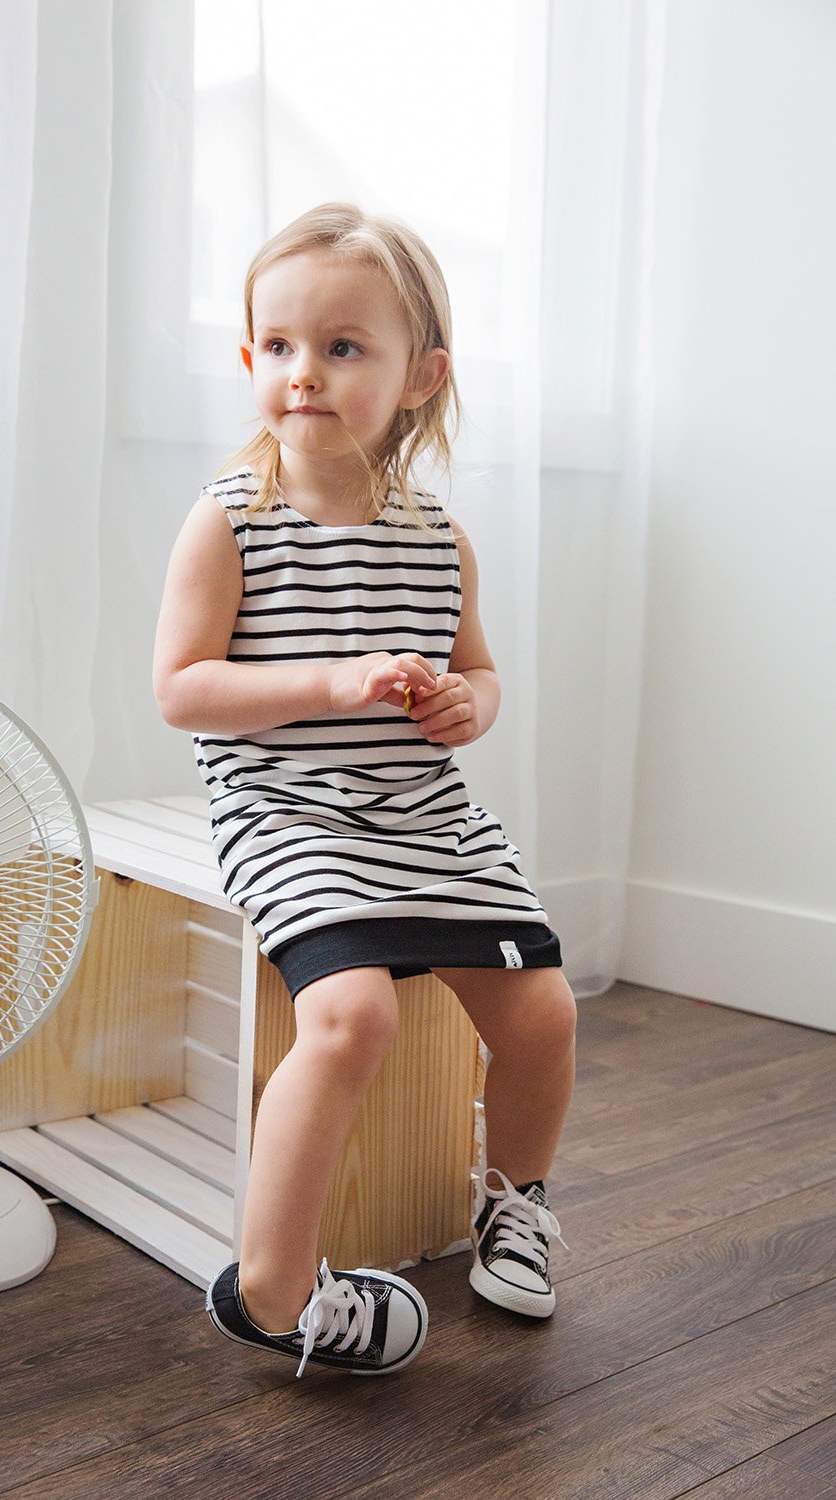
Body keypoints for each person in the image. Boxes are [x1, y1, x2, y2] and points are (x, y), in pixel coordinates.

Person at [153, 203, 577, 1379]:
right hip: (286, 809)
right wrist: (331, 682)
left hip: (423, 813)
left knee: (543, 1014)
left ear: (419, 376)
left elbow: (479, 672)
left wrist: (467, 706)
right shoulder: (230, 521)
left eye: (342, 347)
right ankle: (273, 1288)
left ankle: (517, 1201)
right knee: (354, 1018)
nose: (304, 372)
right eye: (280, 346)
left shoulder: (436, 534)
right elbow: (182, 691)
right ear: (251, 359)